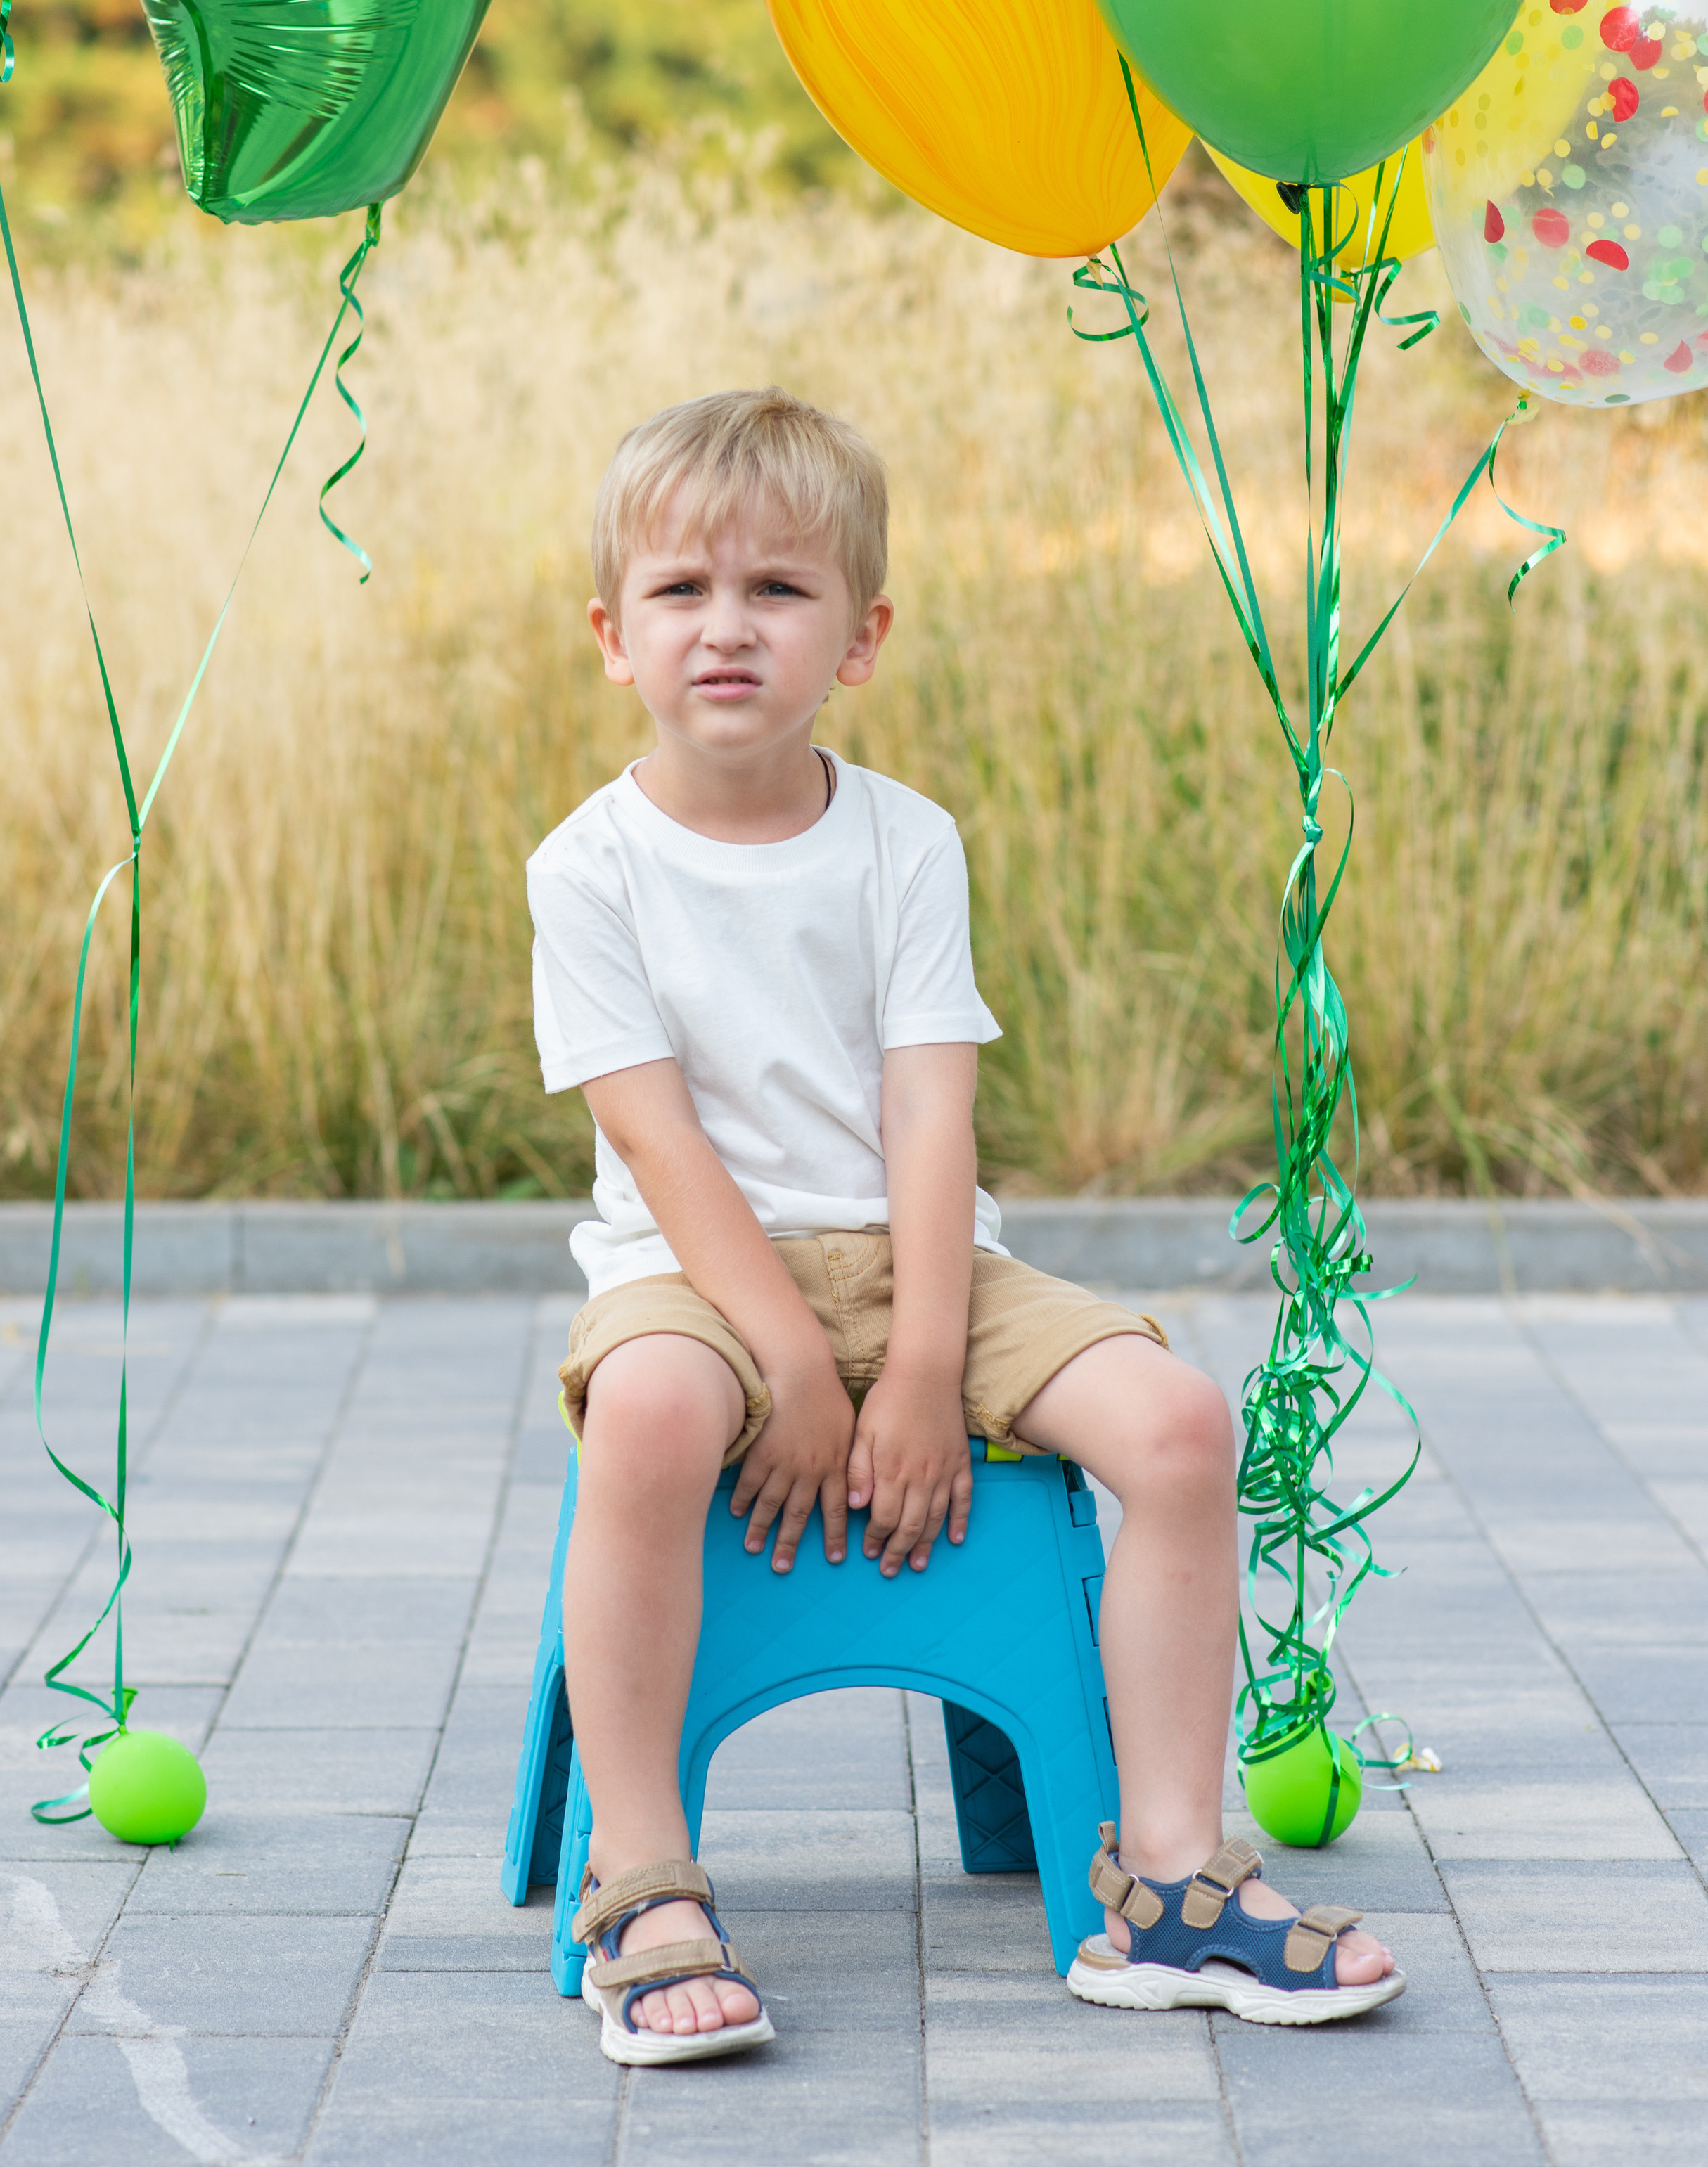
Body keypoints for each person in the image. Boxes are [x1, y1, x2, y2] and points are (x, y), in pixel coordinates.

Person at [527, 387, 1404, 2067]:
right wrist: (789, 1357)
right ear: (610, 634)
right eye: (682, 592)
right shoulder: (588, 869)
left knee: (1174, 1421)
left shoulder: (902, 841)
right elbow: (657, 1134)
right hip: (688, 1276)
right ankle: (641, 1877)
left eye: (777, 591)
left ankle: (1163, 1874)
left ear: (856, 639)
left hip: (923, 1258)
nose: (727, 627)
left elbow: (934, 1111)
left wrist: (922, 1361)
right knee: (641, 1412)